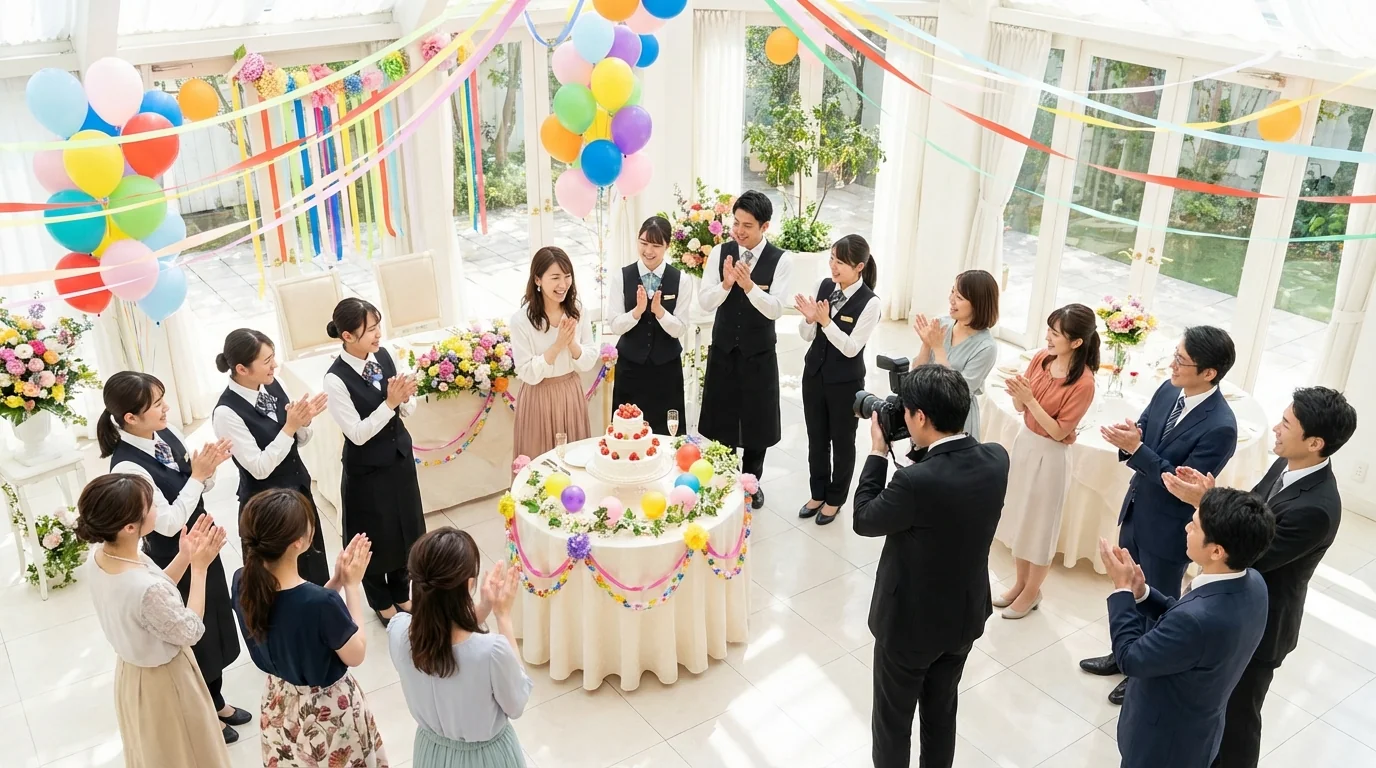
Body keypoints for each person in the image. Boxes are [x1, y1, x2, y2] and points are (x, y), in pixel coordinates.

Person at [1163, 387, 1357, 768]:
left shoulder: (1316, 509)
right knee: (1214, 710)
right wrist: (1213, 497)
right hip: (1234, 607)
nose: (1276, 429)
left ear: (1315, 443)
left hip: (1261, 625)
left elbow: (1250, 552)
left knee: (1238, 720)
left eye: (1286, 424)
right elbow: (1250, 508)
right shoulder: (1286, 462)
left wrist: (1205, 506)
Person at [853, 364, 1010, 768]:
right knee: (941, 714)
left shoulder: (914, 483)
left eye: (907, 412)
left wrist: (877, 452)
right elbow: (947, 478)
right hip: (963, 618)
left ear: (920, 417)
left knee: (893, 724)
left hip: (909, 626)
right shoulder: (997, 459)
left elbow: (864, 519)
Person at [1081, 326, 1239, 705]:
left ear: (1209, 373)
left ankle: (1140, 674)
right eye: (1175, 355)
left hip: (1170, 528)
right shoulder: (1169, 389)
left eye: (1182, 361)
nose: (1173, 365)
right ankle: (1122, 653)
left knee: (1157, 602)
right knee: (1129, 587)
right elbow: (1146, 429)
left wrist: (1137, 449)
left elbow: (1180, 483)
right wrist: (1131, 435)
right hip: (1137, 509)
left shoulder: (1221, 426)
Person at [99, 371, 251, 742]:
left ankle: (216, 699)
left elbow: (194, 483)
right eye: (156, 404)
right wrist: (197, 477)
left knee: (216, 620)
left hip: (202, 543)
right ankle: (203, 710)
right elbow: (166, 523)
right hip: (175, 557)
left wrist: (207, 471)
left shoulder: (165, 433)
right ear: (130, 417)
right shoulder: (128, 466)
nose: (166, 408)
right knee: (192, 634)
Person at [1101, 488, 1273, 768]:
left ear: (1217, 551)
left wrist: (1122, 591)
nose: (1186, 528)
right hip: (1198, 734)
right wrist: (1142, 593)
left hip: (1162, 745)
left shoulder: (1197, 620)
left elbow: (1130, 658)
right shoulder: (1254, 583)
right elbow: (1188, 625)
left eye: (1195, 526)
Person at [76, 474, 233, 768]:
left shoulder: (102, 557)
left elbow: (155, 601)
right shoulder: (142, 587)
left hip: (133, 675)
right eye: (150, 505)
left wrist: (185, 557)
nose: (157, 508)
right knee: (187, 755)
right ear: (129, 527)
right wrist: (200, 569)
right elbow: (190, 630)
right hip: (166, 682)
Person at [231, 488, 389, 767]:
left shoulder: (243, 580)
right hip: (326, 714)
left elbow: (296, 618)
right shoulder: (320, 603)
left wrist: (336, 582)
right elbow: (356, 654)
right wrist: (352, 587)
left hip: (279, 703)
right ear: (298, 542)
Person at [388, 528, 533, 767]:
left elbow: (442, 635)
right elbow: (516, 703)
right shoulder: (491, 652)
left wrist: (484, 608)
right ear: (469, 584)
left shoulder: (398, 630)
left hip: (430, 752)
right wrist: (503, 616)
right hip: (486, 758)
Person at [322, 297, 425, 627]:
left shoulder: (383, 355)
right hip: (367, 470)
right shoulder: (335, 380)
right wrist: (389, 403)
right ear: (347, 336)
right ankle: (380, 600)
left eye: (378, 326)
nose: (378, 334)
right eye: (370, 330)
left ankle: (401, 591)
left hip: (399, 459)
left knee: (405, 529)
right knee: (373, 537)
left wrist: (405, 398)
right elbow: (356, 433)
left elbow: (405, 409)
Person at [994, 304, 1099, 618]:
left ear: (1076, 342)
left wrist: (1029, 400)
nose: (1048, 338)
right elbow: (1019, 408)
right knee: (1020, 516)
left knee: (1040, 527)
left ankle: (1031, 592)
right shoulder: (1041, 358)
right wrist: (1019, 395)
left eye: (1056, 334)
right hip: (1025, 444)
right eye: (1049, 331)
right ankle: (1020, 584)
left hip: (1051, 456)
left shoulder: (1084, 383)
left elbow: (1058, 431)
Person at [213, 328, 331, 586]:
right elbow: (259, 468)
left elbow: (299, 440)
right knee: (277, 583)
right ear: (242, 369)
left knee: (313, 570)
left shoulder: (274, 384)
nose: (274, 365)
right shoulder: (226, 413)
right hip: (267, 509)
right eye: (267, 361)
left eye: (273, 357)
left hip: (299, 493)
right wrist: (290, 426)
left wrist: (302, 422)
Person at [698, 190, 792, 509]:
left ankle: (752, 482)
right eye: (736, 222)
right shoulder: (720, 253)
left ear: (764, 227)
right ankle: (725, 481)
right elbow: (705, 301)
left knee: (756, 421)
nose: (738, 231)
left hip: (759, 353)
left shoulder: (781, 260)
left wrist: (749, 286)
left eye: (747, 225)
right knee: (722, 418)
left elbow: (775, 309)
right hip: (724, 349)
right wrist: (726, 284)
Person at [794, 234, 880, 526]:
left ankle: (835, 499)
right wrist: (810, 319)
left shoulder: (870, 303)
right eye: (832, 259)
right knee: (816, 438)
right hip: (814, 375)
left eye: (840, 262)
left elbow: (851, 348)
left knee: (842, 442)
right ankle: (817, 493)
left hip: (845, 384)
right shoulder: (824, 287)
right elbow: (807, 335)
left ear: (859, 267)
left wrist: (826, 322)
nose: (833, 266)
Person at [510, 246, 599, 460]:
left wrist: (571, 344)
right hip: (537, 398)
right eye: (555, 277)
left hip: (570, 393)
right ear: (538, 280)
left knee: (574, 461)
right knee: (539, 464)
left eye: (567, 276)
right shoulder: (521, 320)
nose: (563, 284)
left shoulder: (578, 311)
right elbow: (526, 371)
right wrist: (557, 346)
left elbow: (588, 361)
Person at [610, 216, 694, 435]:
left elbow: (680, 328)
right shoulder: (621, 277)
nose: (648, 251)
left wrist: (660, 312)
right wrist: (636, 312)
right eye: (644, 243)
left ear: (667, 245)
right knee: (627, 433)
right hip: (630, 368)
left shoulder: (681, 280)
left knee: (667, 432)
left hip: (666, 369)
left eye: (656, 245)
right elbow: (615, 325)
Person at [911, 269, 1000, 439]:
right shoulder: (941, 324)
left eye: (959, 297)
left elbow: (957, 394)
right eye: (952, 292)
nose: (951, 300)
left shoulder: (986, 347)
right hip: (927, 411)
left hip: (955, 423)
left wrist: (938, 348)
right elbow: (916, 374)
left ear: (978, 303)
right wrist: (926, 344)